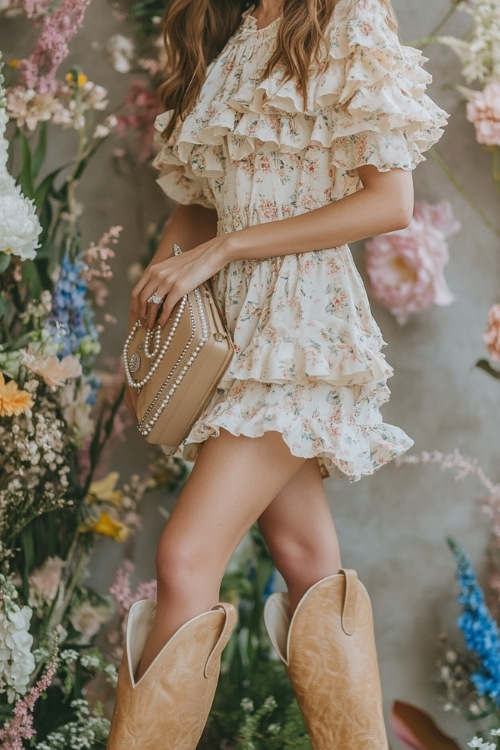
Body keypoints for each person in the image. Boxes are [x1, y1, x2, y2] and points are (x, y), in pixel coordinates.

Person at [108, 0, 447, 748]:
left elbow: (390, 203)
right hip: (229, 333)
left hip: (301, 323)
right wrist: (167, 282)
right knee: (304, 558)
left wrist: (224, 251)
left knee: (185, 556)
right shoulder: (225, 33)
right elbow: (199, 205)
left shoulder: (348, 19)